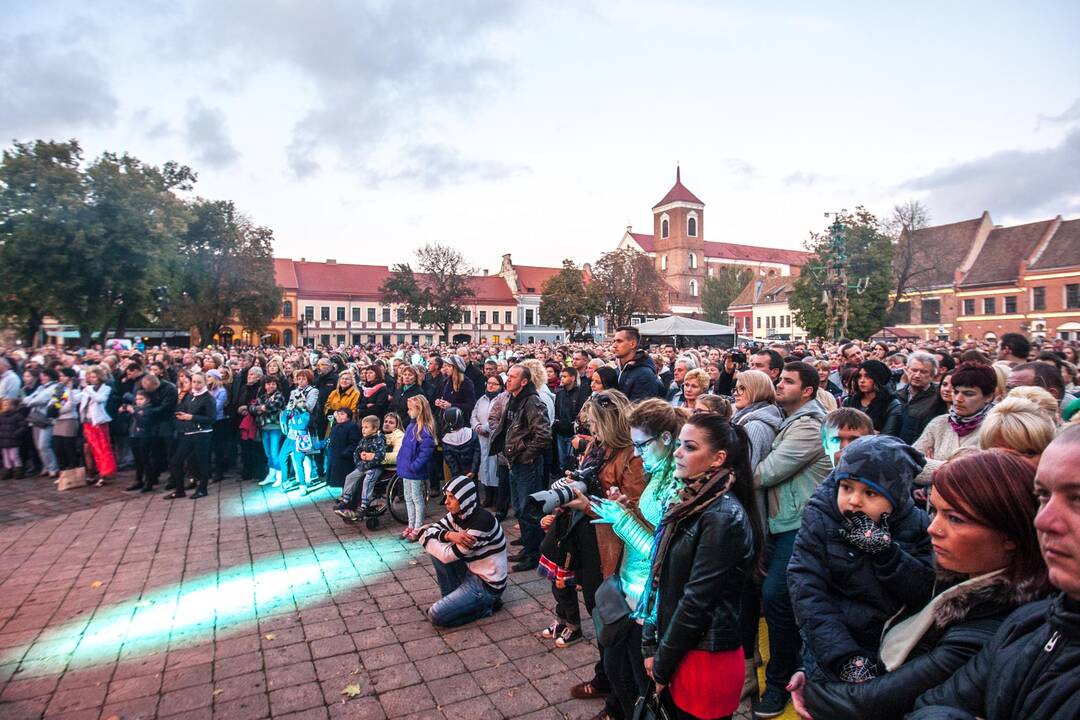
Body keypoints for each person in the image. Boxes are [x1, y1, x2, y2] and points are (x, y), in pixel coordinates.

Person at [793, 450, 1052, 720]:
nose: (932, 528)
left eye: (954, 518)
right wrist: (824, 661)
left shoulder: (991, 623)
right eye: (935, 511)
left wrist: (814, 690)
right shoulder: (960, 574)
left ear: (1009, 534)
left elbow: (876, 701)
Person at [908, 428, 1080, 719]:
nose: (1043, 519)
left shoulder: (999, 619)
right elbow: (930, 705)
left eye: (1077, 499)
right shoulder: (1029, 623)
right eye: (1043, 496)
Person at [642, 413, 763, 720]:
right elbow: (665, 580)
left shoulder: (722, 516)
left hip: (705, 657)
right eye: (679, 445)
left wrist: (661, 665)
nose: (678, 453)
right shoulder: (691, 501)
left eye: (690, 447)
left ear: (717, 458)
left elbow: (697, 601)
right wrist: (651, 644)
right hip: (681, 647)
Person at [788, 436, 933, 684]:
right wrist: (843, 657)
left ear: (896, 496)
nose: (854, 500)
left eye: (870, 493)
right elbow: (807, 588)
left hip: (897, 653)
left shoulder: (918, 525)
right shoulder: (821, 517)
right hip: (832, 655)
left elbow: (925, 591)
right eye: (846, 487)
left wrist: (887, 554)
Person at [588, 398, 688, 719]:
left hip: (652, 599)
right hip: (634, 590)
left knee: (639, 685)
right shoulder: (657, 471)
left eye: (642, 446)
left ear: (667, 439)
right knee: (617, 669)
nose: (638, 454)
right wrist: (625, 507)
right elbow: (651, 525)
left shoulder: (677, 484)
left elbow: (663, 554)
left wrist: (621, 519)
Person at [753, 361, 832, 717]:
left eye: (787, 381)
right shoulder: (789, 420)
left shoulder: (810, 426)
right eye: (778, 378)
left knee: (777, 596)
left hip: (800, 523)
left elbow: (765, 473)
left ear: (808, 391)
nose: (778, 384)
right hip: (783, 521)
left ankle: (780, 681)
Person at [420, 475, 507, 627]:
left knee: (435, 615)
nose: (446, 502)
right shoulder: (457, 514)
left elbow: (446, 555)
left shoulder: (481, 522)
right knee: (436, 550)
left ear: (465, 499)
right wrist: (448, 534)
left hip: (486, 586)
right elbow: (432, 530)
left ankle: (486, 607)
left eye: (452, 497)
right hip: (470, 572)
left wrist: (424, 537)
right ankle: (452, 599)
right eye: (447, 496)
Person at [492, 364, 552, 572]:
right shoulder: (513, 399)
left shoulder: (533, 402)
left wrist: (526, 456)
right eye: (508, 376)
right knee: (519, 506)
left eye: (513, 376)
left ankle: (534, 554)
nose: (508, 379)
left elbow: (543, 435)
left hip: (527, 464)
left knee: (529, 510)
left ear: (524, 382)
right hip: (514, 461)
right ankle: (528, 547)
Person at [914, 362, 997, 484]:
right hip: (933, 501)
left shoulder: (996, 428)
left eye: (968, 394)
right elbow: (909, 465)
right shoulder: (940, 423)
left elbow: (981, 479)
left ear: (988, 397)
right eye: (956, 392)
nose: (958, 399)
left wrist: (931, 466)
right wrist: (955, 467)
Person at [165, 372, 215, 499]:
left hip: (202, 433)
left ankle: (202, 488)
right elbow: (187, 410)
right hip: (189, 432)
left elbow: (211, 418)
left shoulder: (208, 398)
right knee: (176, 460)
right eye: (194, 382)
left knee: (201, 461)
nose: (196, 385)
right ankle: (179, 489)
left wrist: (191, 417)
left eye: (199, 382)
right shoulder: (190, 395)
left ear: (205, 383)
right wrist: (183, 416)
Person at [397, 395, 437, 540]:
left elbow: (425, 452)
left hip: (414, 471)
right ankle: (411, 524)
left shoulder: (424, 430)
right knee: (408, 497)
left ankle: (418, 526)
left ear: (418, 410)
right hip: (407, 469)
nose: (408, 412)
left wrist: (414, 466)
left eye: (410, 409)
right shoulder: (411, 426)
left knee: (417, 498)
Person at [898, 351, 948, 444]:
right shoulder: (897, 394)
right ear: (906, 370)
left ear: (933, 374)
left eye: (923, 372)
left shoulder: (940, 397)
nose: (917, 375)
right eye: (914, 370)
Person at [843, 360, 903, 436]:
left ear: (878, 379)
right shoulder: (849, 401)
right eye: (859, 376)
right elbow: (840, 429)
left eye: (867, 376)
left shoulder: (891, 404)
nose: (862, 381)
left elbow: (887, 437)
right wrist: (868, 432)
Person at [80, 365, 117, 486]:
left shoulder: (105, 388)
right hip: (87, 422)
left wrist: (88, 390)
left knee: (102, 448)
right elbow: (78, 400)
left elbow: (100, 399)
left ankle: (104, 473)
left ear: (100, 377)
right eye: (90, 376)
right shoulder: (87, 389)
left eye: (94, 376)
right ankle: (91, 473)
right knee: (88, 450)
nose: (92, 379)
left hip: (99, 422)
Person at [470, 374, 503, 507]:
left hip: (494, 437)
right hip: (481, 439)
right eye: (489, 383)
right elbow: (473, 415)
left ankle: (497, 499)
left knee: (494, 469)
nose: (490, 385)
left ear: (500, 386)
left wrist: (485, 428)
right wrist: (477, 426)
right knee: (483, 469)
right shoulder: (481, 399)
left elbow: (500, 419)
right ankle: (487, 497)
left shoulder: (502, 399)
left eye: (494, 384)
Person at [23, 368, 60, 478]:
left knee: (43, 445)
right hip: (36, 418)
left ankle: (53, 468)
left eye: (44, 375)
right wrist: (29, 401)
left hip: (46, 419)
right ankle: (46, 466)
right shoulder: (41, 387)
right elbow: (30, 398)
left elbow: (39, 400)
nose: (42, 378)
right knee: (38, 445)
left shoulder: (55, 387)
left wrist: (29, 402)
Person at [553, 367, 590, 475]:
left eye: (565, 376)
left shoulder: (580, 394)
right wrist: (557, 422)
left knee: (570, 461)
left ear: (573, 378)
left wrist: (574, 425)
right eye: (561, 377)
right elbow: (557, 411)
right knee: (562, 461)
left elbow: (580, 413)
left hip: (572, 433)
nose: (562, 379)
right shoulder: (560, 393)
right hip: (560, 432)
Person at [612, 326, 662, 401]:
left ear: (632, 344)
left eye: (619, 341)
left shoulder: (645, 374)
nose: (614, 345)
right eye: (614, 341)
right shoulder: (618, 370)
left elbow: (639, 409)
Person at [253, 376, 286, 487]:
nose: (270, 386)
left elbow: (271, 407)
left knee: (274, 453)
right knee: (268, 454)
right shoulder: (262, 396)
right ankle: (271, 475)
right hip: (264, 427)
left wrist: (260, 408)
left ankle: (279, 476)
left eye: (273, 384)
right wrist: (259, 408)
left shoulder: (279, 396)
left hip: (275, 428)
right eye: (268, 384)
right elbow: (252, 408)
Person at [325, 406, 360, 491]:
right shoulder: (336, 426)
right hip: (336, 457)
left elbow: (354, 443)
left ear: (348, 416)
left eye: (342, 414)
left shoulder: (352, 426)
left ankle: (347, 496)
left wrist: (345, 453)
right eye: (338, 414)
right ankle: (344, 495)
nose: (339, 416)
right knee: (340, 480)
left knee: (346, 478)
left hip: (345, 459)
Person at [0, 398, 25, 479]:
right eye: (3, 405)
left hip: (13, 439)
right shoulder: (1, 416)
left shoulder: (17, 415)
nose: (5, 406)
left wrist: (16, 434)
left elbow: (23, 426)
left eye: (7, 405)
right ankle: (8, 470)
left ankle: (18, 471)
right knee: (6, 457)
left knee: (14, 456)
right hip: (4, 439)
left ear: (11, 406)